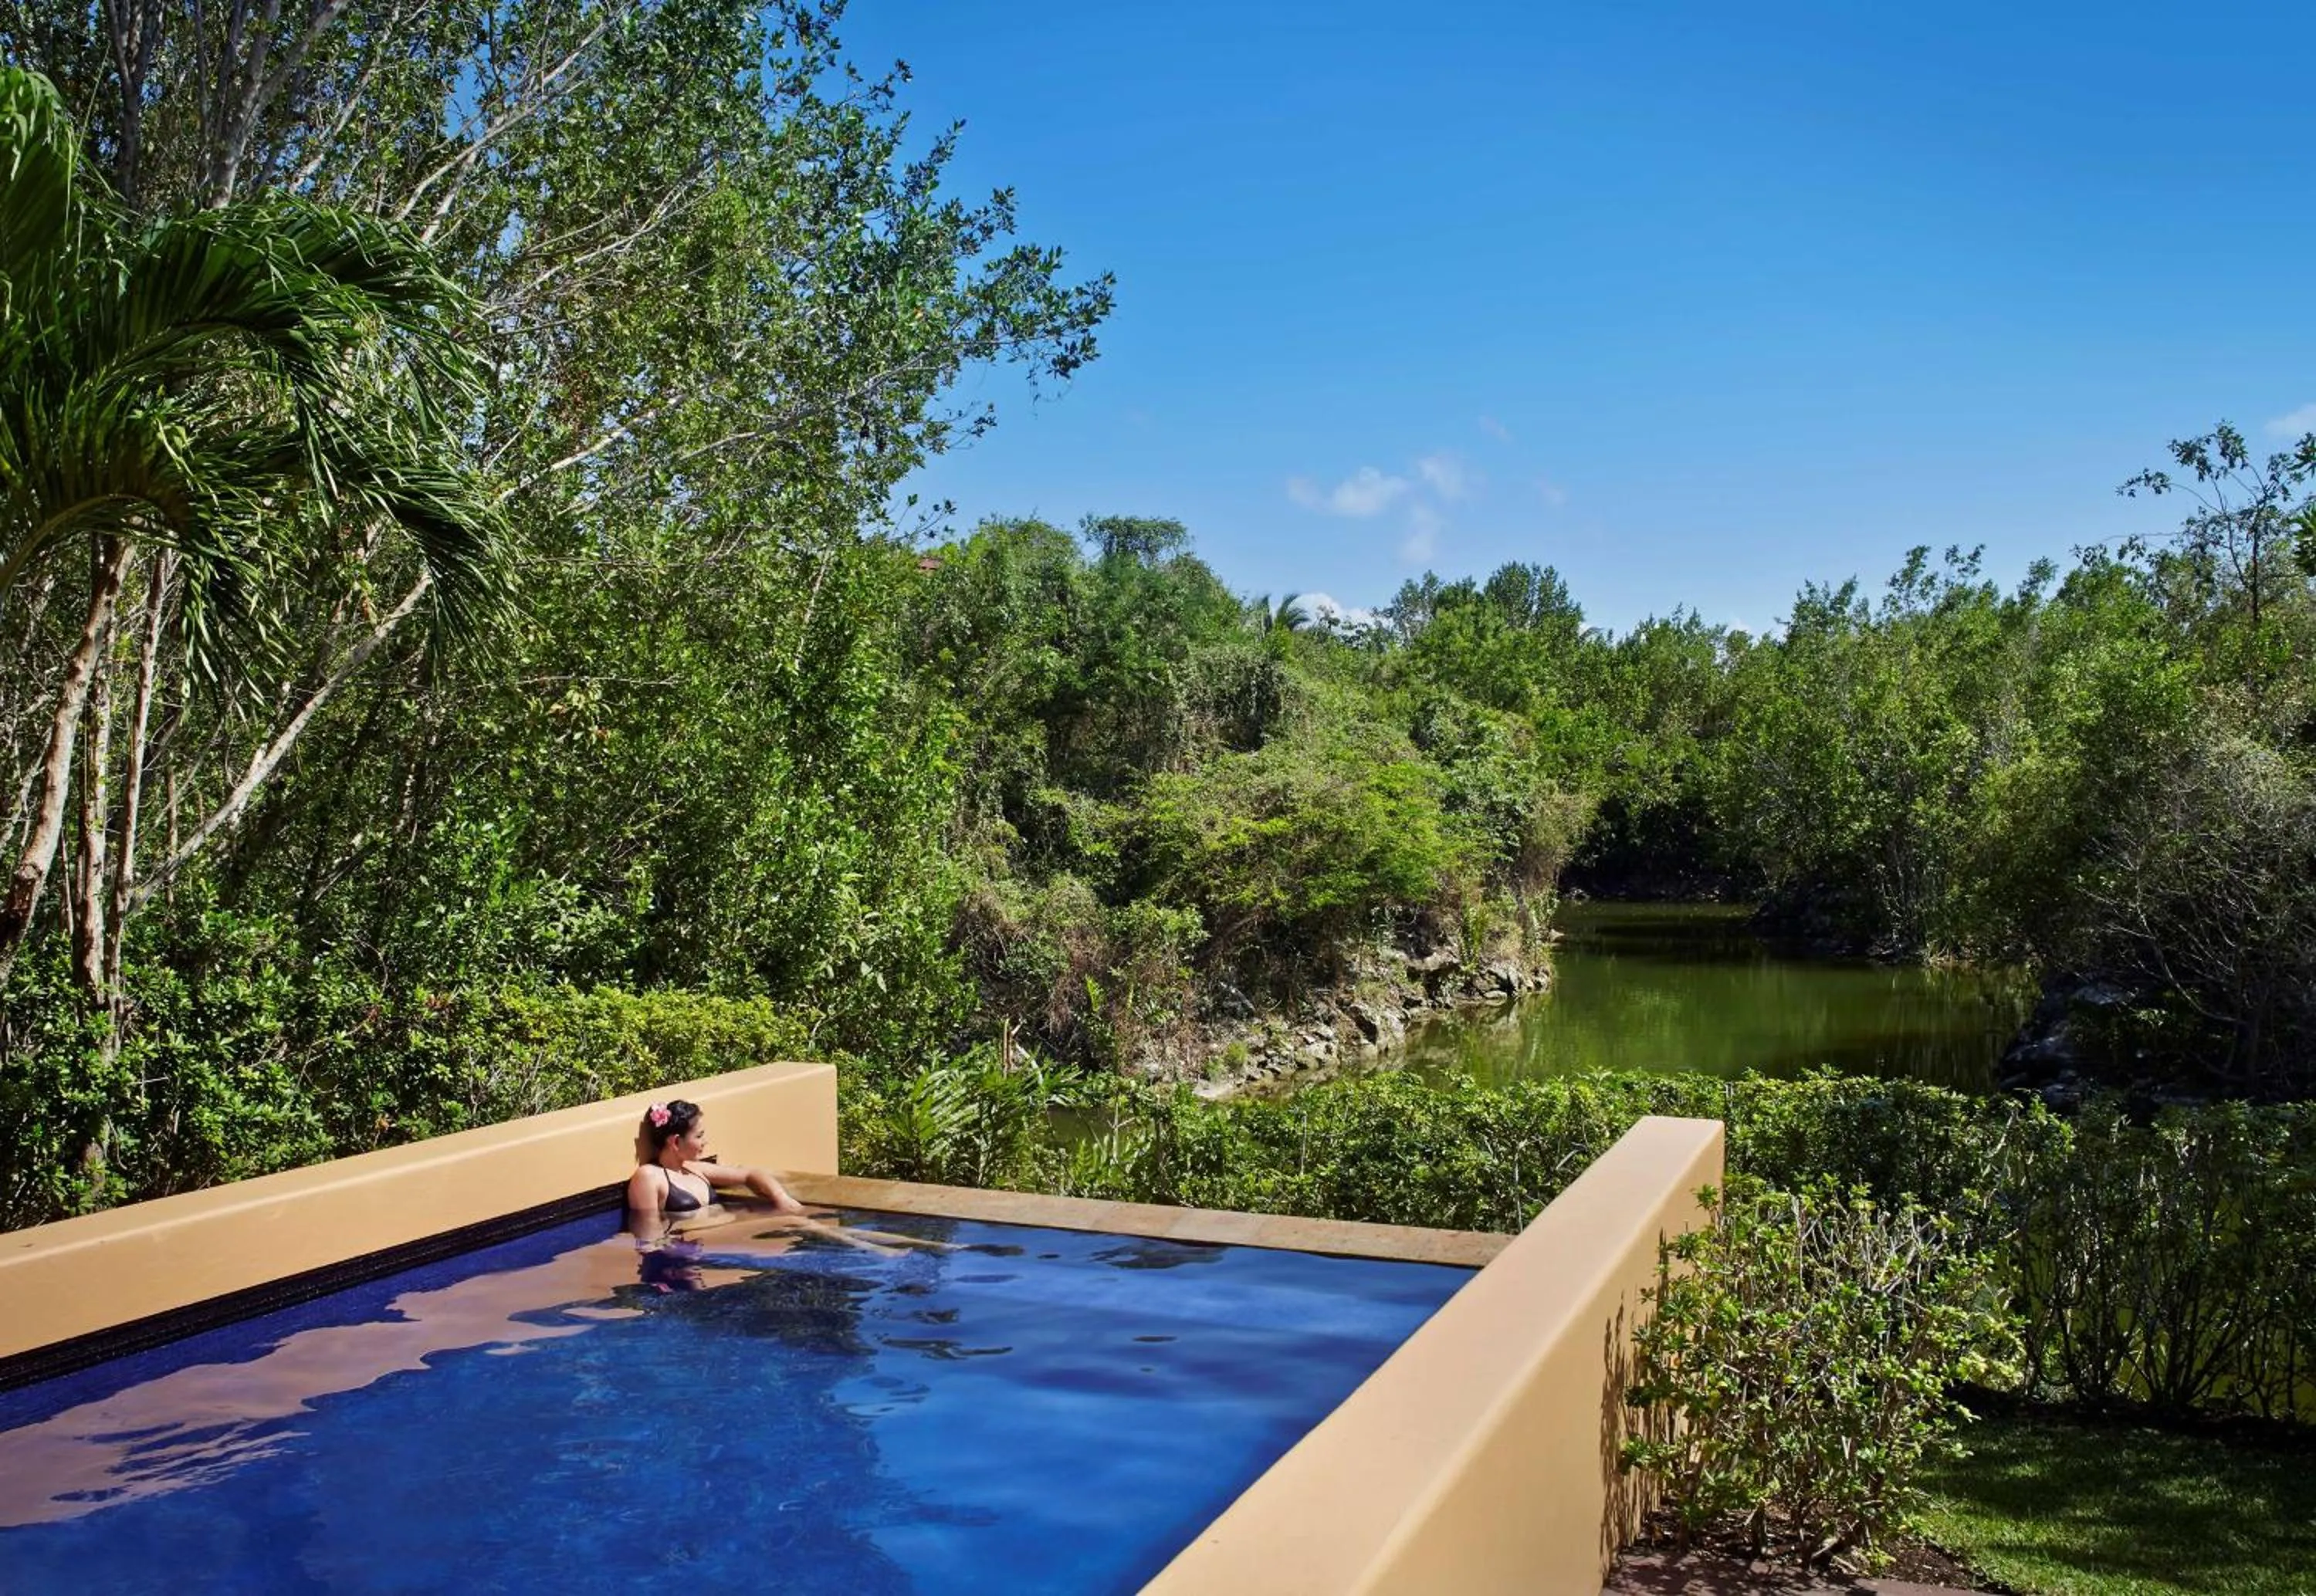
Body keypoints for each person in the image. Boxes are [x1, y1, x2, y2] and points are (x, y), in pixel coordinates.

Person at [625, 1098, 810, 1226]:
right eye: (699, 1136)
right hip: (697, 1245)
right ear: (675, 1142)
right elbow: (648, 1234)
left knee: (799, 1220)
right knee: (795, 1222)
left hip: (724, 1234)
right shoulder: (650, 1177)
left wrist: (782, 1198)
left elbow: (749, 1174)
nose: (705, 1142)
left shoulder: (693, 1168)